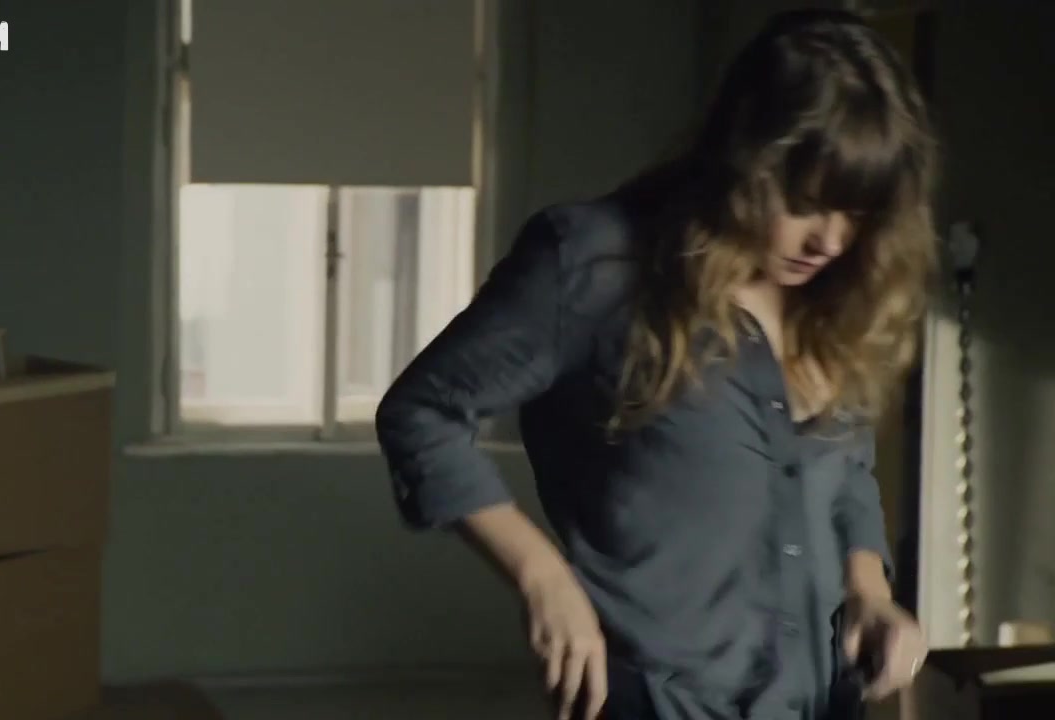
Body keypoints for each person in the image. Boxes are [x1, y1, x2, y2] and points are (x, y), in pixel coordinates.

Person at [375, 8, 938, 720]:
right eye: (805, 203)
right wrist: (542, 576)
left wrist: (870, 591)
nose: (829, 240)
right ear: (746, 160)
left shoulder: (837, 295)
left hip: (821, 702)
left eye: (855, 213)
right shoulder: (595, 264)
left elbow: (845, 467)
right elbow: (421, 412)